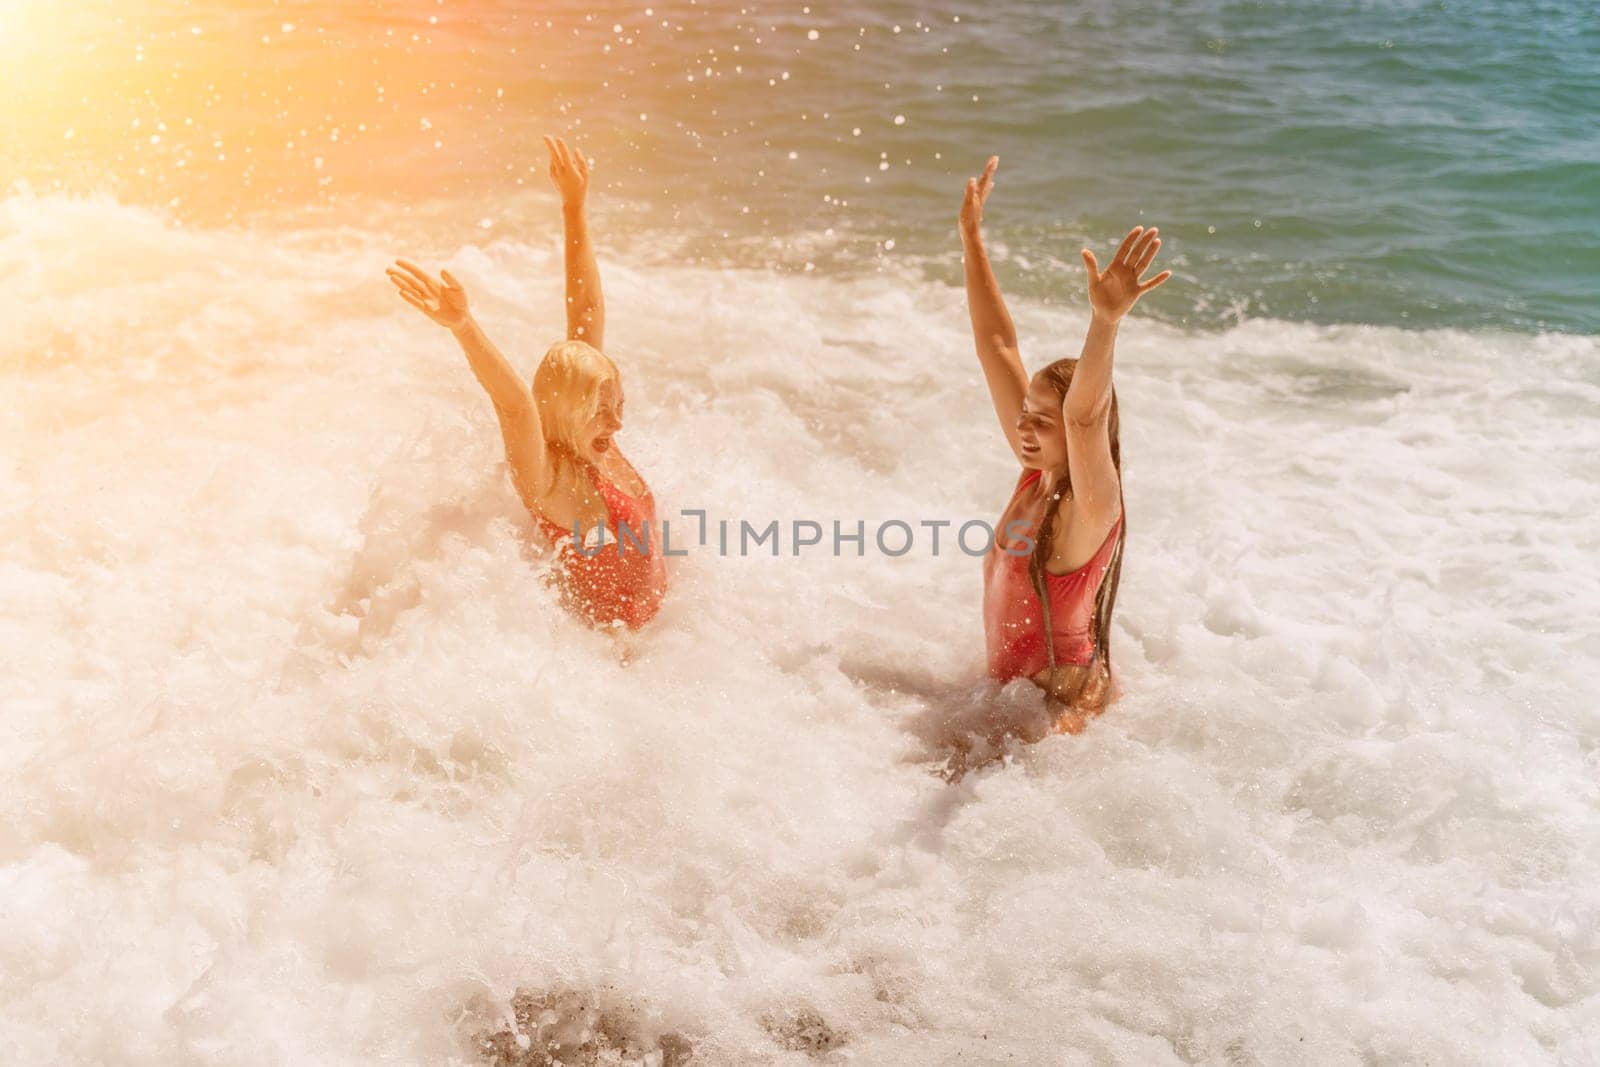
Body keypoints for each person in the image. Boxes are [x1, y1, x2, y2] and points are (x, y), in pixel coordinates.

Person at [386, 136, 667, 630]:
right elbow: (515, 405)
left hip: (669, 635)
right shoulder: (550, 479)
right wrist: (464, 326)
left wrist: (574, 205)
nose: (617, 420)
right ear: (567, 410)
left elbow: (585, 310)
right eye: (601, 409)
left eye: (619, 402)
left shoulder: (598, 441)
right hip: (618, 657)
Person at [959, 155, 1170, 736]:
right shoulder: (1036, 472)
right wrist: (971, 239)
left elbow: (1083, 418)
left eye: (1041, 421)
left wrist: (1105, 322)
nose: (1025, 428)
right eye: (1025, 415)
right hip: (1013, 705)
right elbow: (996, 344)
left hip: (1060, 724)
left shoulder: (1091, 507)